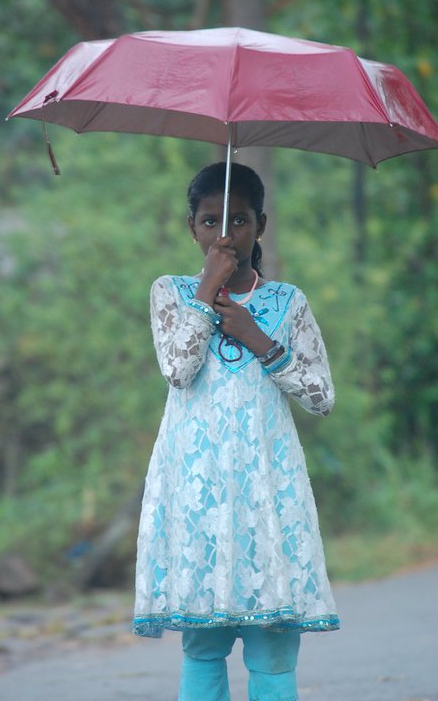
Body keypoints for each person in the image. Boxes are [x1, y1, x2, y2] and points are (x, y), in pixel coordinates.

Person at [133, 162, 340, 701]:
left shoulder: (288, 304)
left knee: (273, 644)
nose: (224, 235)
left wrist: (259, 338)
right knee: (203, 645)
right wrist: (205, 293)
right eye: (209, 222)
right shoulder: (170, 294)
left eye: (240, 221)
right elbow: (178, 371)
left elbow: (321, 397)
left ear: (261, 225)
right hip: (197, 495)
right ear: (191, 228)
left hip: (267, 495)